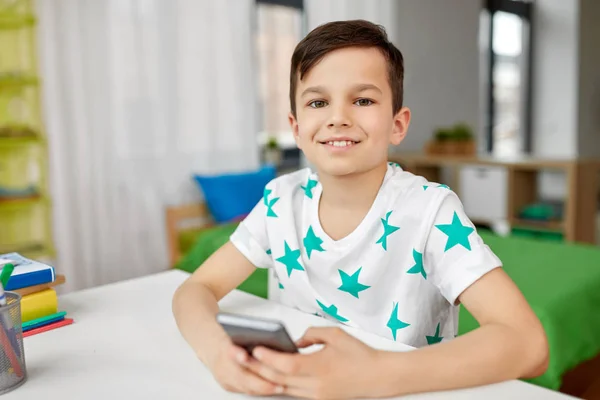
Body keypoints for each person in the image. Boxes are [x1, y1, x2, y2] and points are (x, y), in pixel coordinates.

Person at [172, 19, 548, 399]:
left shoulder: (431, 210)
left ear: (397, 125)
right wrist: (217, 353)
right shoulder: (279, 201)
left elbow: (528, 344)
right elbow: (195, 289)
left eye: (363, 100)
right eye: (318, 102)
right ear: (297, 128)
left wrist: (376, 373)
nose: (338, 117)